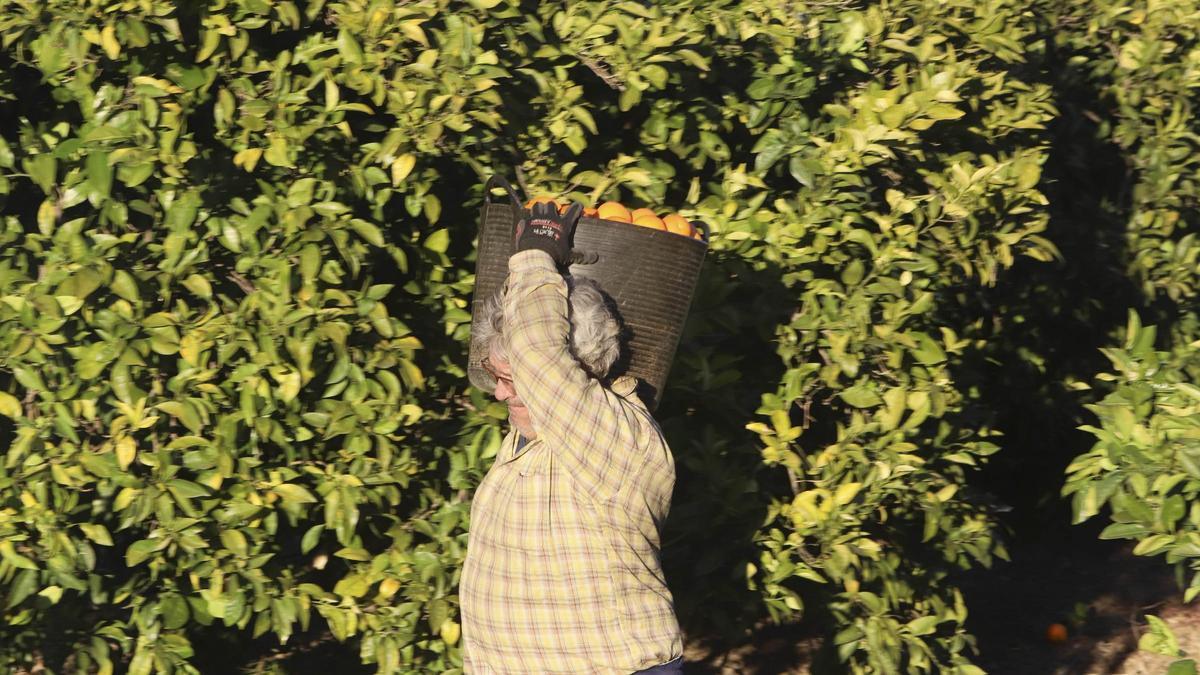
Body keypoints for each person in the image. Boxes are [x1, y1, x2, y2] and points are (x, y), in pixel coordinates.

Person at [460, 201, 684, 674]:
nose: (500, 393)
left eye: (511, 379)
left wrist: (534, 256)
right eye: (493, 375)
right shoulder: (538, 433)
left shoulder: (613, 438)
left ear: (576, 370)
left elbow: (539, 353)